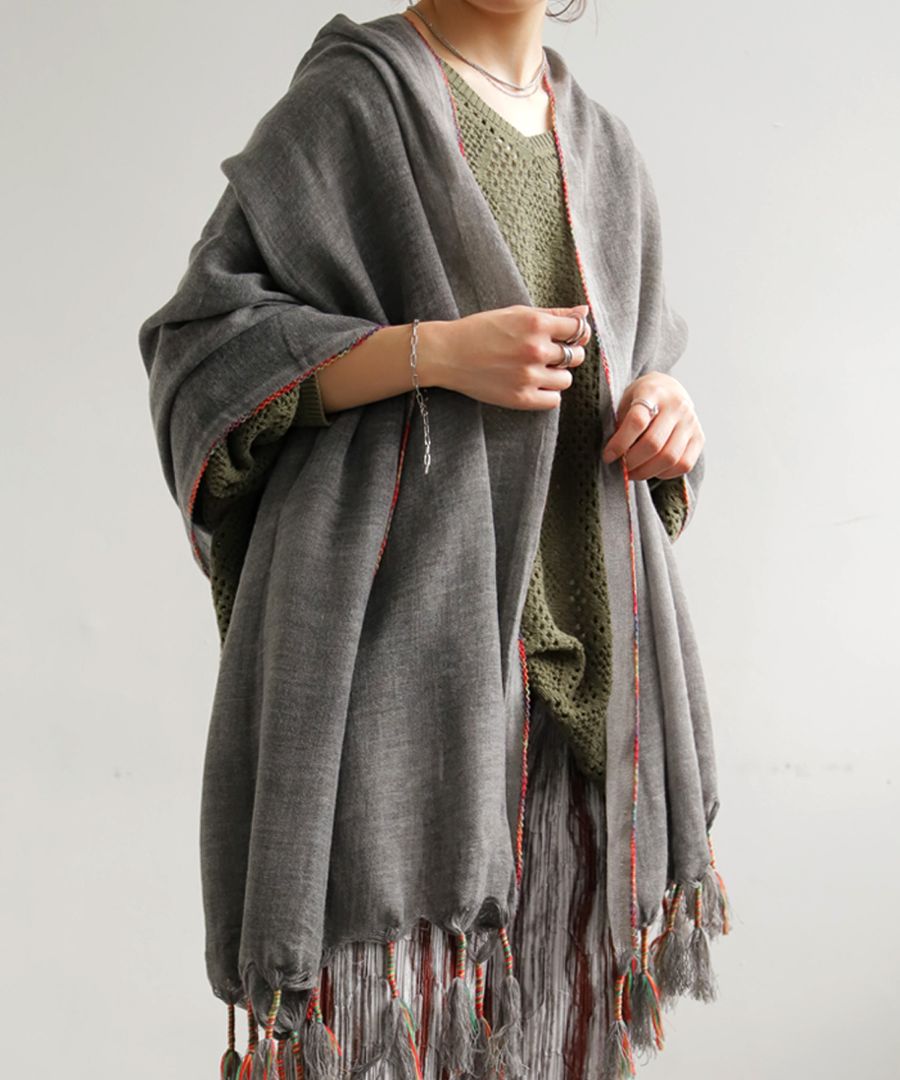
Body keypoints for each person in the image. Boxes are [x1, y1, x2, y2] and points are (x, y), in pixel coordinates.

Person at [138, 3, 731, 1078]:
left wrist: (668, 410)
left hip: (584, 692)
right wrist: (431, 354)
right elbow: (201, 353)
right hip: (399, 668)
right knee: (385, 1033)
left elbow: (635, 363)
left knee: (558, 1039)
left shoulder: (604, 149)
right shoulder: (354, 102)